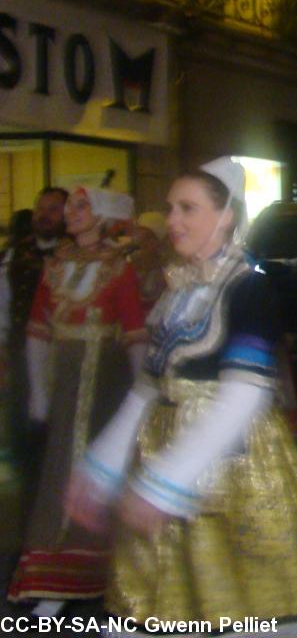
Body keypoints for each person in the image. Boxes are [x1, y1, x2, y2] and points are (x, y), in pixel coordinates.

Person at [65, 158, 297, 637]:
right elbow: (146, 389)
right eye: (171, 207)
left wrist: (163, 484)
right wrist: (100, 467)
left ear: (226, 216)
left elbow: (243, 396)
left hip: (235, 467)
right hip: (163, 456)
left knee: (243, 598)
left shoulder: (249, 288)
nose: (172, 219)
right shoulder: (177, 294)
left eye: (187, 208)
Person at [8, 187, 147, 613]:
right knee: (58, 472)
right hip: (66, 389)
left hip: (106, 388)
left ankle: (99, 576)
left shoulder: (119, 270)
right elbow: (36, 331)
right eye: (72, 205)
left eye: (82, 206)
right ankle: (55, 575)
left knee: (99, 472)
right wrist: (39, 392)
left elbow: (136, 336)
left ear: (104, 217)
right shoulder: (55, 266)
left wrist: (144, 398)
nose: (72, 212)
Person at [0, 189, 67, 494]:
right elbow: (3, 303)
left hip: (64, 357)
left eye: (53, 209)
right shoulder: (14, 253)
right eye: (41, 208)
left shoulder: (76, 254)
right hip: (22, 355)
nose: (44, 215)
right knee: (22, 424)